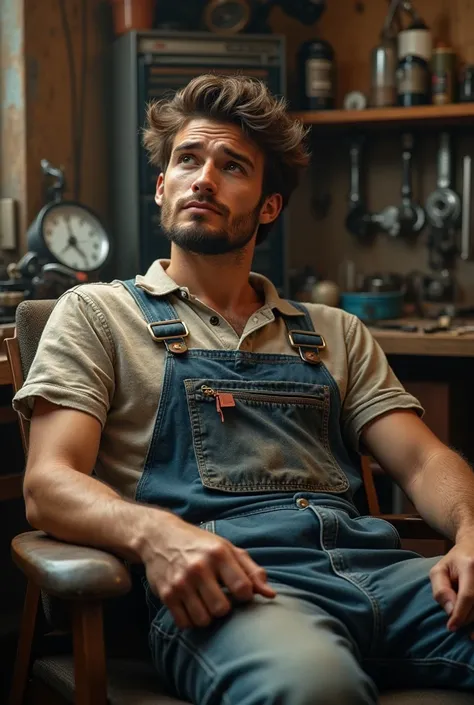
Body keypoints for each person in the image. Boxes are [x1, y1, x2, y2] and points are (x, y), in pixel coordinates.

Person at [13, 74, 474, 705]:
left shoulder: (334, 331)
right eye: (187, 160)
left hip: (387, 579)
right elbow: (48, 484)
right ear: (161, 187)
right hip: (233, 591)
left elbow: (424, 460)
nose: (203, 178)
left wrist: (471, 531)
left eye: (232, 166)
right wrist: (159, 538)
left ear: (268, 207)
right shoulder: (96, 314)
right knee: (316, 688)